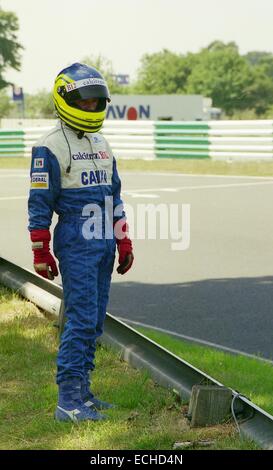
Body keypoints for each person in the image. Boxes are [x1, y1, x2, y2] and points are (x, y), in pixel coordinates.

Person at [28, 63, 134, 422]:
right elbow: (39, 203)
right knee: (80, 318)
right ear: (66, 99)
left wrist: (123, 239)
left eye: (97, 103)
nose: (92, 108)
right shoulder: (49, 146)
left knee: (94, 321)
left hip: (104, 238)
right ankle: (68, 402)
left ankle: (84, 394)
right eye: (85, 103)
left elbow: (114, 196)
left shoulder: (103, 144)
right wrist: (40, 250)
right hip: (76, 239)